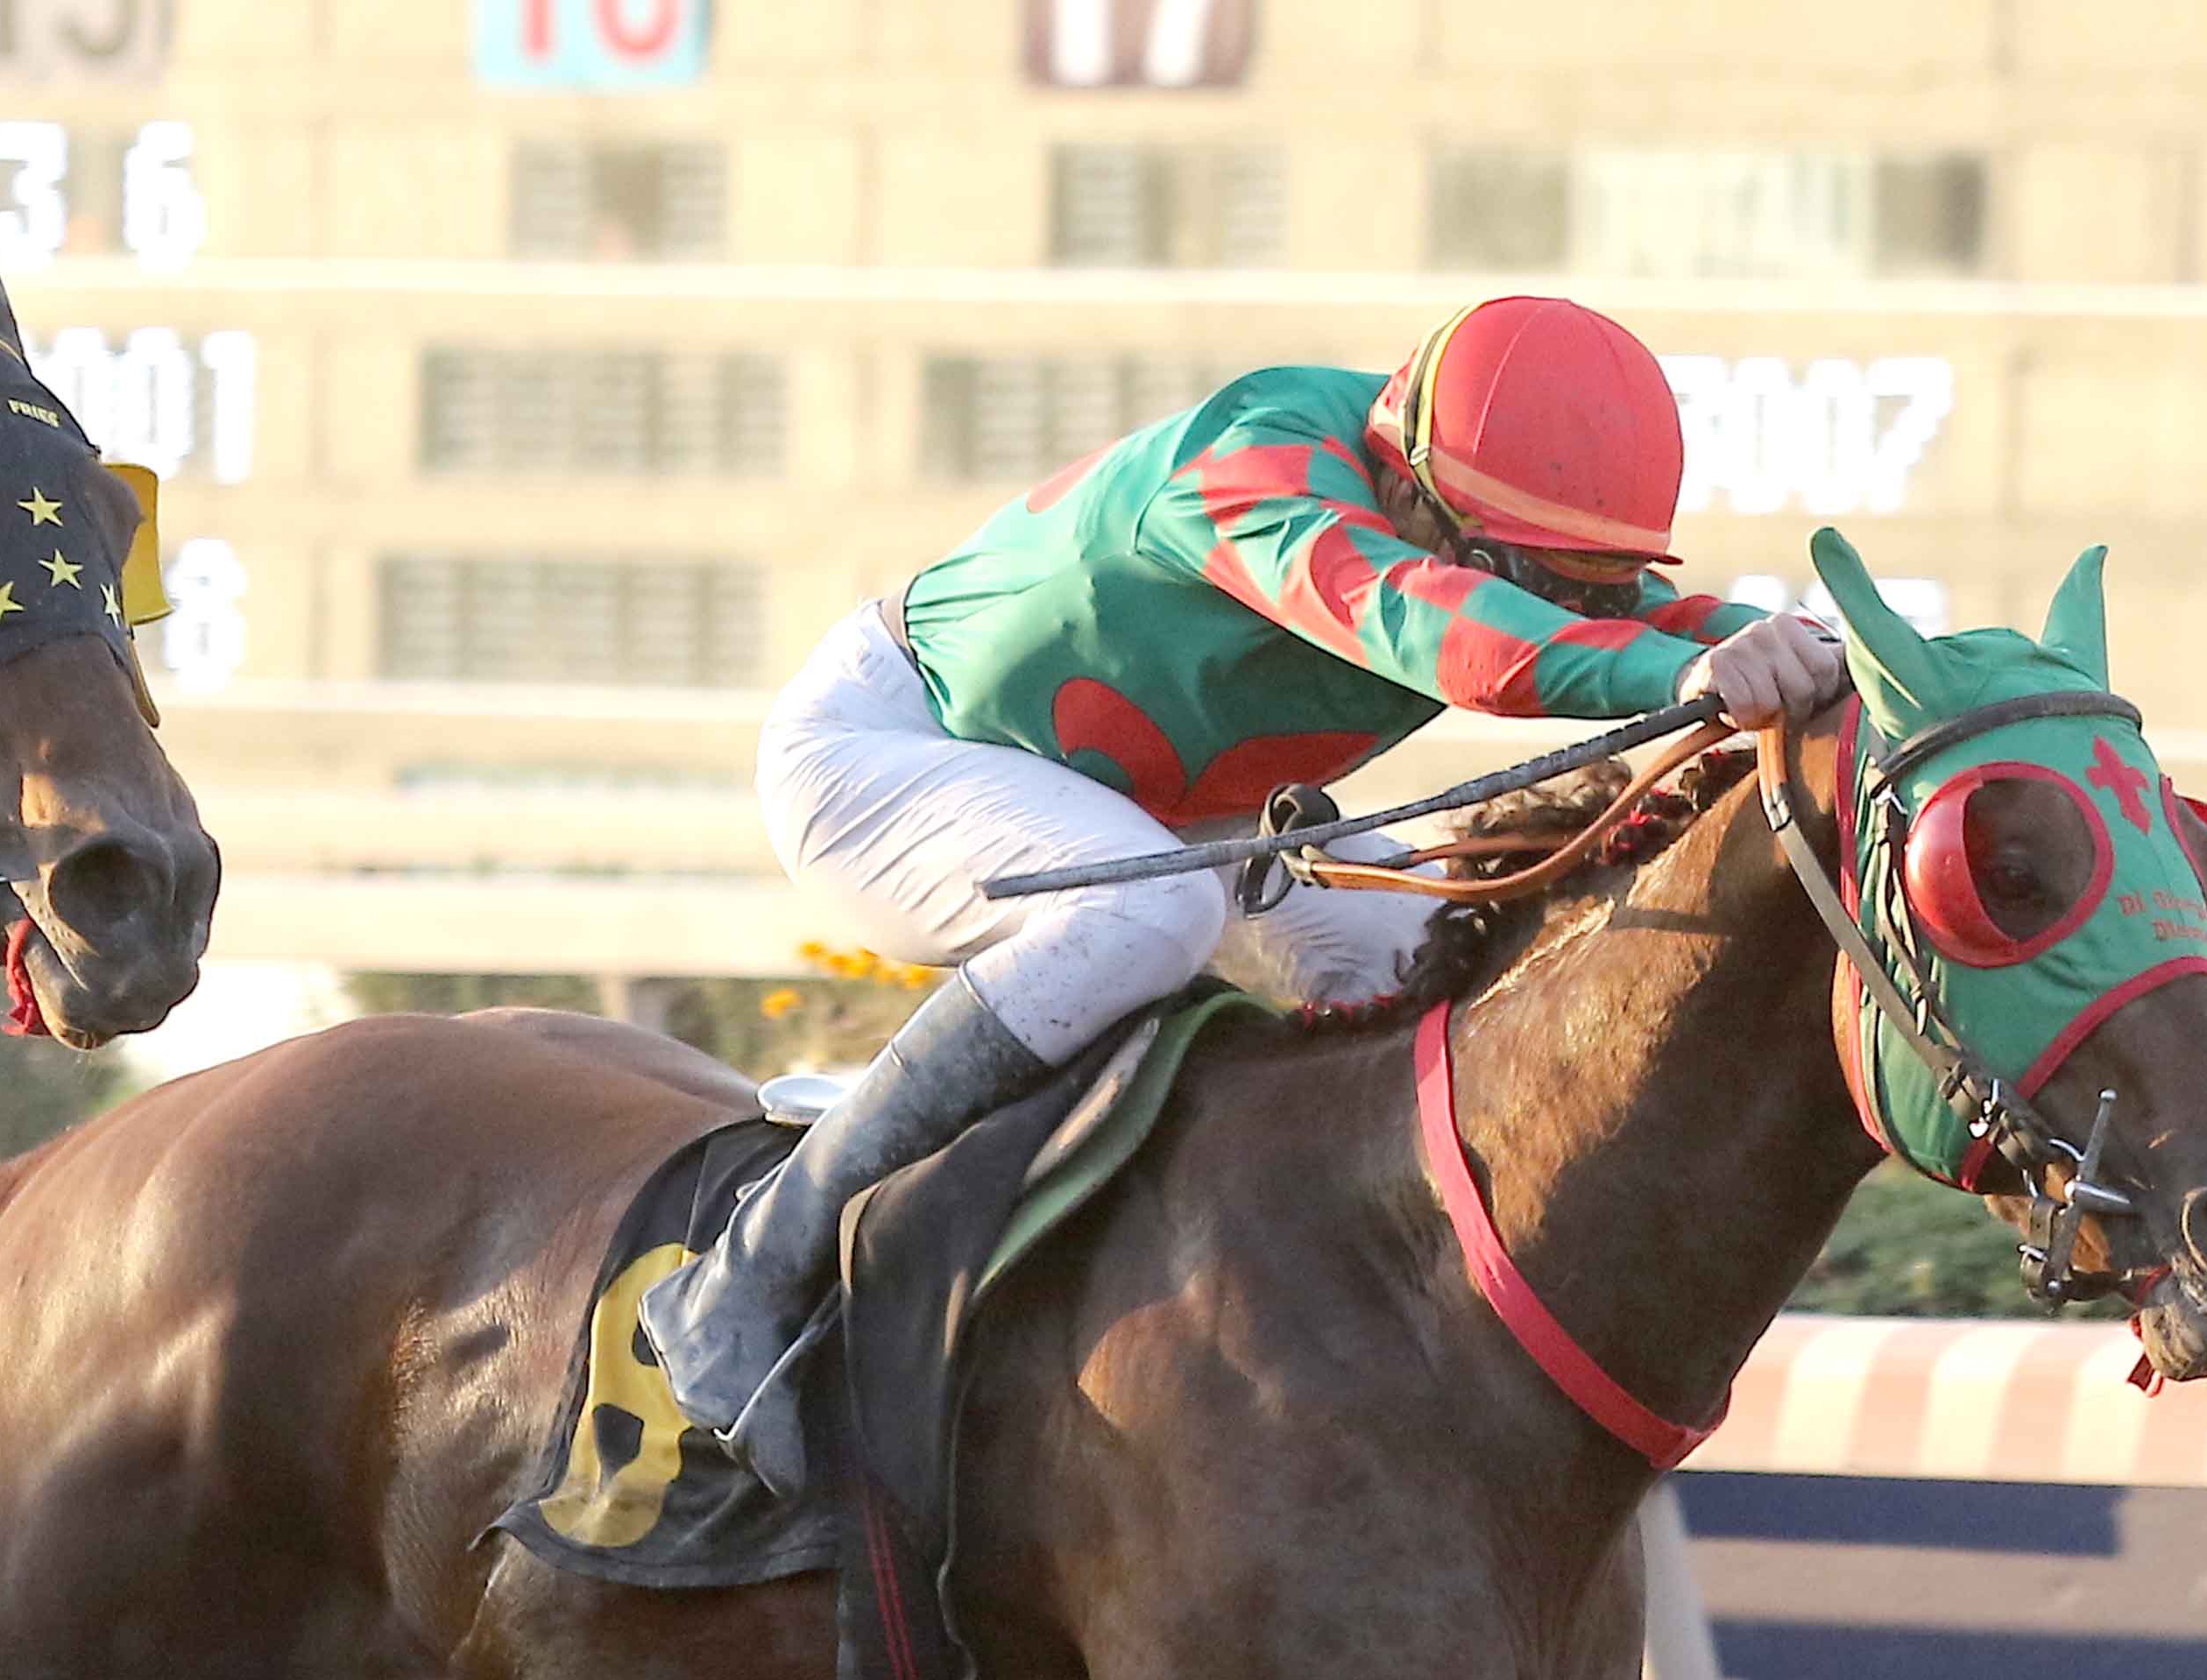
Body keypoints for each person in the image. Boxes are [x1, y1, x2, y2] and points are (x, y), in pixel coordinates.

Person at [640, 293, 1850, 1470]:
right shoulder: (1255, 468)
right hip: (888, 754)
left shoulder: (1470, 499)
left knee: (1439, 974)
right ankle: (747, 1277)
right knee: (1147, 912)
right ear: (1406, 482)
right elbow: (1438, 625)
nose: (1549, 604)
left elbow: (1657, 617)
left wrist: (1836, 657)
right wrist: (1676, 673)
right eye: (1522, 574)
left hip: (1166, 813)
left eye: (1575, 587)